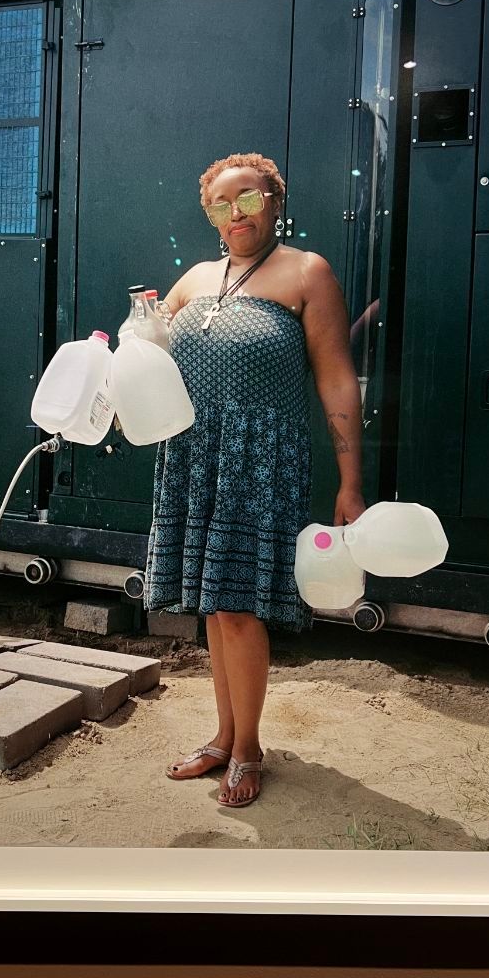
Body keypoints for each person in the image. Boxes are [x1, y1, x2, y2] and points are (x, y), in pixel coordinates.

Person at [143, 152, 366, 808]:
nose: (234, 214)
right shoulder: (191, 280)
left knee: (238, 605)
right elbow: (149, 368)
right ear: (208, 212)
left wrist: (350, 480)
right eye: (220, 203)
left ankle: (246, 749)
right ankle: (222, 736)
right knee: (215, 607)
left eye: (248, 199)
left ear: (274, 199)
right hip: (192, 457)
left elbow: (335, 377)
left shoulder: (306, 272)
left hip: (259, 462)